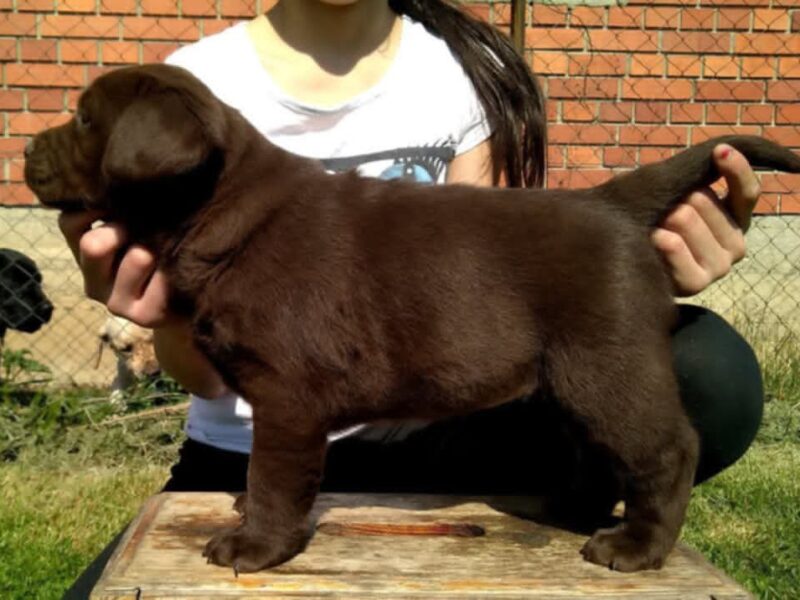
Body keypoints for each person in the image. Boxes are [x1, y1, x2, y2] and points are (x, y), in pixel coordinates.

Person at [61, 0, 763, 595]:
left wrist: (645, 264)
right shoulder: (190, 85)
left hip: (440, 436)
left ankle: (639, 509)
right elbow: (225, 375)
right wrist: (167, 313)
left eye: (85, 128)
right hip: (242, 449)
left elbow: (486, 274)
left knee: (684, 367)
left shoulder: (459, 75)